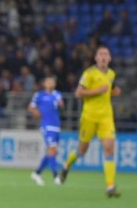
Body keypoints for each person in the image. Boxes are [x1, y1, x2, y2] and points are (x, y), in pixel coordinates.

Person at [59, 46, 122, 197]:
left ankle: (110, 186)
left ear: (110, 58)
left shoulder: (112, 74)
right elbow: (78, 93)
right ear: (96, 58)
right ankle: (66, 166)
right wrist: (97, 91)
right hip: (89, 117)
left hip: (106, 117)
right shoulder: (89, 73)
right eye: (101, 54)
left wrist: (114, 92)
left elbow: (109, 90)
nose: (103, 57)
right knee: (82, 151)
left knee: (109, 149)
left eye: (106, 54)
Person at [27, 76, 64, 186]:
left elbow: (62, 105)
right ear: (44, 84)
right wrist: (36, 112)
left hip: (56, 126)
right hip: (46, 126)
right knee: (52, 149)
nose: (50, 83)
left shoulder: (57, 94)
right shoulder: (39, 95)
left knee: (52, 151)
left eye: (52, 82)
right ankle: (56, 176)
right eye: (48, 82)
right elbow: (31, 107)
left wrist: (60, 102)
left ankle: (37, 173)